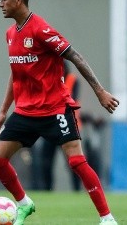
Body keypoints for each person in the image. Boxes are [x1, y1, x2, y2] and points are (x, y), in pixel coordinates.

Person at [0, 0, 119, 225]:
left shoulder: (40, 29)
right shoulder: (10, 34)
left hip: (55, 109)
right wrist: (3, 111)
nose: (0, 4)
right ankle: (24, 204)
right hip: (25, 112)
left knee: (77, 162)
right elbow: (15, 73)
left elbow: (75, 56)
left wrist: (100, 91)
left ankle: (107, 218)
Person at [39, 62, 82, 191]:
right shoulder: (48, 80)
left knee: (73, 161)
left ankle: (76, 189)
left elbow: (70, 99)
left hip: (68, 126)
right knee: (46, 161)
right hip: (50, 126)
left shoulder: (73, 80)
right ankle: (47, 189)